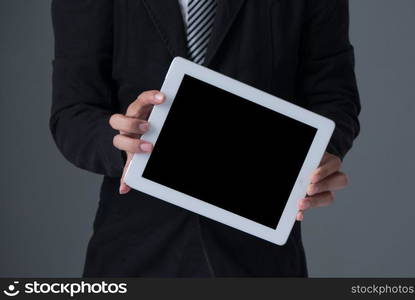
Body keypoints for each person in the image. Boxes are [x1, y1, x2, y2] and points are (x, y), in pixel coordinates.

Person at [50, 0, 360, 277]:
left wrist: (319, 154)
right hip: (136, 251)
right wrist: (120, 140)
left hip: (260, 255)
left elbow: (334, 95)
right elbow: (72, 112)